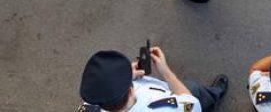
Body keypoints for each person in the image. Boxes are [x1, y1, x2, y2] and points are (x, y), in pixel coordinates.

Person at [77, 48, 228, 112]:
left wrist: (124, 76)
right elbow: (190, 102)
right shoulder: (165, 108)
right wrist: (166, 71)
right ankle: (214, 97)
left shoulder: (91, 105)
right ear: (130, 91)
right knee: (194, 89)